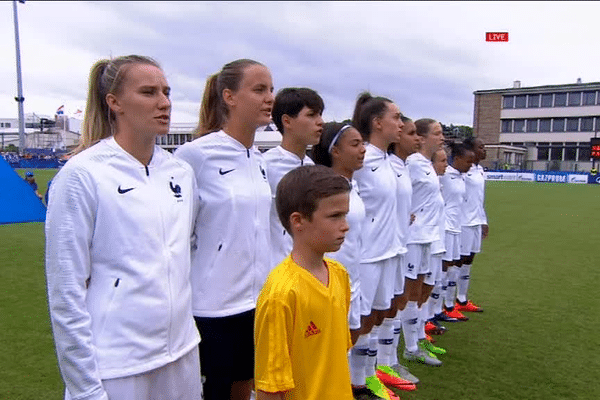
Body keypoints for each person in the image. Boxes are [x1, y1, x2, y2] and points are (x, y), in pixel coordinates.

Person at [45, 55, 202, 400]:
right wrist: (85, 388)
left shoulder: (180, 173)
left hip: (181, 355)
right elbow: (65, 291)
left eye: (166, 91)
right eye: (148, 92)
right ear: (114, 103)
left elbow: (183, 255)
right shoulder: (82, 175)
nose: (164, 102)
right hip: (117, 365)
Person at [175, 59, 274, 400]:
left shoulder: (259, 160)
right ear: (229, 97)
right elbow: (178, 233)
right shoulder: (195, 156)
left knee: (245, 386)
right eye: (259, 90)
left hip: (256, 301)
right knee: (215, 391)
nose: (269, 98)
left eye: (271, 90)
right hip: (211, 306)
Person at [254, 164, 353, 400]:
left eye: (345, 215)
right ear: (298, 221)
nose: (345, 225)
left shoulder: (339, 275)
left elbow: (335, 358)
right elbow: (270, 388)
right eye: (334, 216)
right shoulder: (281, 293)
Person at [351, 92, 406, 400]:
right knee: (357, 323)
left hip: (390, 250)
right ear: (377, 122)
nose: (400, 123)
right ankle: (349, 382)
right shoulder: (362, 158)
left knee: (375, 318)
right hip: (366, 255)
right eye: (396, 117)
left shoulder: (387, 160)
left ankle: (365, 378)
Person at [264, 87, 324, 267]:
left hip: (308, 268)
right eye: (311, 115)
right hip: (276, 271)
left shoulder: (311, 166)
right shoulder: (266, 165)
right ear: (287, 121)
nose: (320, 122)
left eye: (320, 115)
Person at [402, 118, 446, 366]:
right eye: (437, 133)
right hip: (415, 236)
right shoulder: (413, 164)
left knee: (421, 293)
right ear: (421, 136)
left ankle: (417, 338)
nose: (441, 137)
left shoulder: (427, 165)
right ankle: (410, 347)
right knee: (410, 294)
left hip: (429, 236)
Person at [434, 143, 475, 325]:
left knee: (450, 269)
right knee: (441, 270)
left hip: (456, 228)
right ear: (456, 159)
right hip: (445, 228)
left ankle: (444, 307)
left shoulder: (461, 177)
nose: (470, 165)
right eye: (468, 161)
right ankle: (436, 310)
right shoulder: (444, 176)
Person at [455, 137, 488, 313]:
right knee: (456, 264)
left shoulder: (480, 170)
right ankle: (447, 304)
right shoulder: (462, 172)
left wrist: (484, 221)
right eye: (481, 147)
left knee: (468, 262)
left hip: (476, 222)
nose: (484, 150)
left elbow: (479, 199)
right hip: (463, 223)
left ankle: (462, 299)